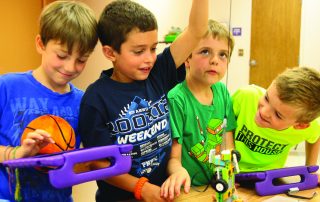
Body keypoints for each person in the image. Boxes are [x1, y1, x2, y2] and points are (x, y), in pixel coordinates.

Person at [78, 0, 208, 201]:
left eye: (153, 48)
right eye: (139, 51)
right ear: (110, 52)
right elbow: (99, 163)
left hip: (164, 194)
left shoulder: (158, 73)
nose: (149, 58)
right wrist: (142, 188)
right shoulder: (95, 100)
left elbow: (197, 30)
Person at [0, 1, 98, 201]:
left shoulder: (84, 102)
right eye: (62, 55)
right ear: (40, 44)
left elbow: (81, 161)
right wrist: (18, 153)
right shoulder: (7, 87)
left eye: (81, 60)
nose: (70, 67)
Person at [160, 20, 237, 200]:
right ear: (187, 58)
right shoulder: (176, 99)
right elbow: (173, 158)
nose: (214, 61)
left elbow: (228, 143)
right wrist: (178, 173)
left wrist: (229, 175)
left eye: (223, 55)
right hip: (189, 190)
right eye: (205, 52)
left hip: (218, 185)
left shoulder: (223, 92)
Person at [232, 67, 320, 173]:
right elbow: (220, 124)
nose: (264, 112)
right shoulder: (245, 96)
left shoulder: (311, 126)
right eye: (266, 98)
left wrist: (310, 171)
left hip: (269, 177)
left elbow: (315, 137)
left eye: (278, 115)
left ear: (300, 125)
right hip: (228, 171)